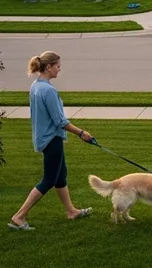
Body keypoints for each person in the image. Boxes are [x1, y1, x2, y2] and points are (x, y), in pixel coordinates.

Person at [8, 51, 95, 230]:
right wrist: (82, 133)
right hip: (51, 139)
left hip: (44, 137)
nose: (59, 69)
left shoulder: (36, 86)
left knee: (60, 175)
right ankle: (19, 216)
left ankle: (71, 211)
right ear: (48, 67)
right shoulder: (47, 90)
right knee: (49, 179)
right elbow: (60, 121)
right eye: (57, 66)